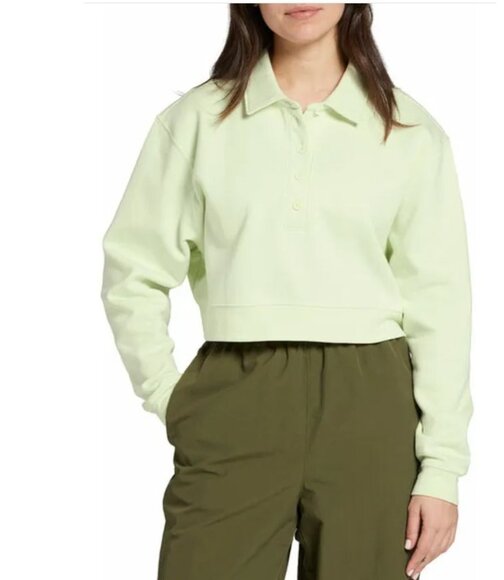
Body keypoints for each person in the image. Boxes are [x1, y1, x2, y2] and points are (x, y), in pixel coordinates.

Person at [100, 3, 473, 579]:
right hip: (235, 394)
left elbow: (440, 306)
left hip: (370, 405)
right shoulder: (196, 122)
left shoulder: (410, 132)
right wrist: (172, 397)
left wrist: (441, 468)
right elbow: (133, 272)